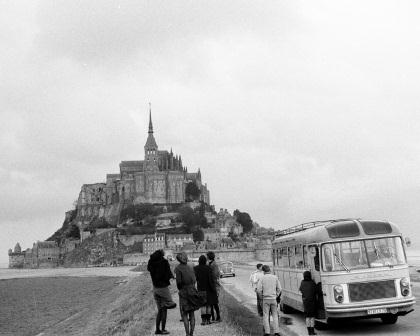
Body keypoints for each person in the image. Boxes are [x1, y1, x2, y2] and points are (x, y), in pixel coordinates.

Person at [175, 252, 205, 336]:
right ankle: (191, 334)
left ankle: (187, 334)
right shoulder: (190, 267)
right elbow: (194, 280)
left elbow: (179, 283)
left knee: (185, 314)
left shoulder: (178, 268)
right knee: (192, 313)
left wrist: (181, 289)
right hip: (192, 290)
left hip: (184, 291)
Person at [147, 249, 177, 335]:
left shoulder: (151, 262)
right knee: (166, 308)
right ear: (162, 255)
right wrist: (171, 277)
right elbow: (168, 274)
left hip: (155, 288)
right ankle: (163, 329)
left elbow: (149, 269)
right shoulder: (164, 262)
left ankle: (157, 329)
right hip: (163, 288)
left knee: (160, 310)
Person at [257, 265, 281, 336]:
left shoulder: (262, 278)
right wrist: (276, 295)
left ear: (263, 271)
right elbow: (279, 289)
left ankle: (267, 332)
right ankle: (276, 332)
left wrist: (261, 297)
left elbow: (258, 290)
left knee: (266, 315)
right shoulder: (275, 277)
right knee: (275, 315)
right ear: (269, 270)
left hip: (265, 299)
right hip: (273, 299)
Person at [194, 255, 217, 325]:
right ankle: (208, 320)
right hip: (209, 289)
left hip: (201, 289)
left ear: (199, 260)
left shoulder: (195, 268)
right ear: (205, 261)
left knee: (203, 305)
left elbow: (195, 279)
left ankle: (203, 321)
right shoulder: (208, 268)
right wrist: (214, 289)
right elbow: (211, 279)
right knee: (209, 305)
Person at [299, 271, 318, 335]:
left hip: (305, 302)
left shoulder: (302, 282)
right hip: (312, 302)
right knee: (312, 317)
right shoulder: (312, 282)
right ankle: (312, 331)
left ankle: (309, 332)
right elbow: (316, 290)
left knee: (307, 317)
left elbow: (301, 290)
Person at [206, 251, 221, 322]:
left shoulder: (213, 264)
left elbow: (215, 275)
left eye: (207, 256)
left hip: (214, 285)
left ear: (209, 257)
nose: (206, 257)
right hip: (211, 285)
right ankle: (213, 317)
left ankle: (218, 317)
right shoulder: (211, 263)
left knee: (214, 302)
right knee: (211, 303)